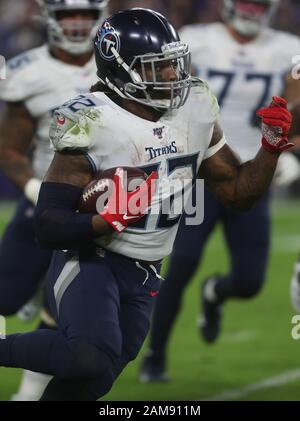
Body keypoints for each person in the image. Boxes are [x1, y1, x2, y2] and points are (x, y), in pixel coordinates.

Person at [0, 6, 292, 401]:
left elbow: (237, 194)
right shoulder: (91, 120)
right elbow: (48, 225)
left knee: (91, 383)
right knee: (88, 356)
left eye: (174, 64)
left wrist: (270, 150)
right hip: (91, 260)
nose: (174, 75)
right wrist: (104, 222)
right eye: (158, 68)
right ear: (121, 70)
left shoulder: (195, 106)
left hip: (147, 268)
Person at [140, 0, 300, 382]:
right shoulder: (196, 41)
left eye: (258, 4)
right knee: (181, 265)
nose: (251, 10)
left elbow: (298, 105)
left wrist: (291, 148)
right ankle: (155, 355)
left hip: (252, 173)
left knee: (249, 281)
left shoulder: (289, 48)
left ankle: (215, 293)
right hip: (200, 172)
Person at [0, 0, 108, 401]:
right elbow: (9, 149)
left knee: (66, 311)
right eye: (68, 15)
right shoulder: (27, 71)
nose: (78, 24)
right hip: (48, 196)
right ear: (51, 18)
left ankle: (29, 394)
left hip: (101, 208)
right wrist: (33, 189)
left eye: (85, 14)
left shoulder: (121, 64)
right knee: (5, 298)